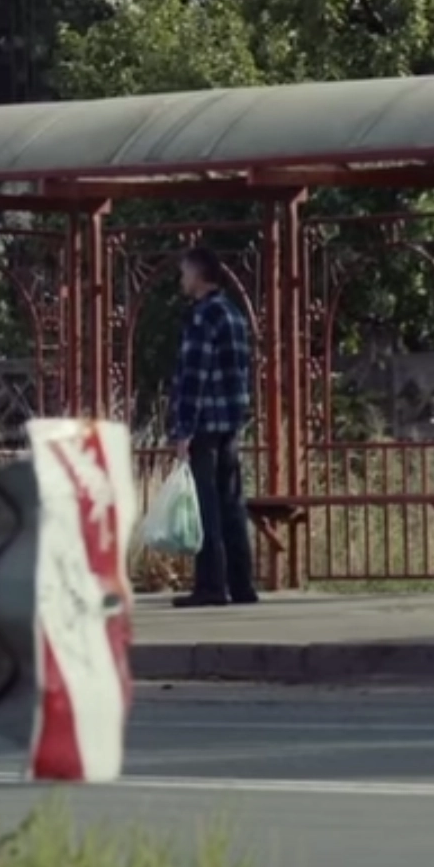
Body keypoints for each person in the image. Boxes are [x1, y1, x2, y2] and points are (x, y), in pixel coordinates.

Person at [168, 245, 257, 608]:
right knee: (231, 503)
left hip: (204, 423)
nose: (182, 279)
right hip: (230, 423)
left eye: (185, 273)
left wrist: (182, 429)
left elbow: (194, 375)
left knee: (205, 506)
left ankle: (210, 586)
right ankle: (242, 585)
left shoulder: (203, 316)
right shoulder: (233, 314)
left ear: (200, 275)